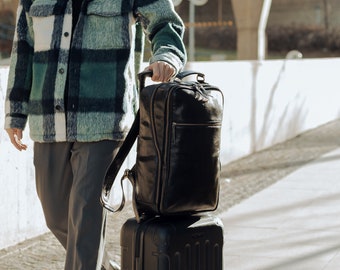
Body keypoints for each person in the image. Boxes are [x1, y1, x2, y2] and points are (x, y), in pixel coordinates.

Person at [4, 0, 186, 269]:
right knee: (56, 215)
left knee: (86, 214)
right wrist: (16, 112)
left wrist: (166, 55)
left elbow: (165, 21)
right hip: (49, 121)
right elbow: (24, 48)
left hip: (105, 118)